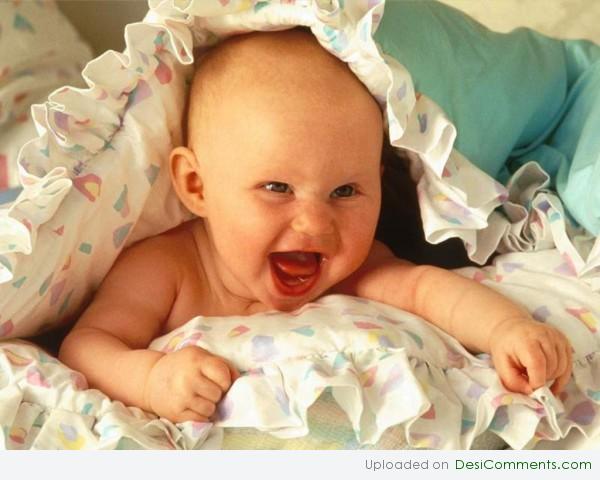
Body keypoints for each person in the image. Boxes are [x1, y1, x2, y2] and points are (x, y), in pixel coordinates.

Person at [58, 28, 572, 424]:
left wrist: (507, 329)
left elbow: (426, 289)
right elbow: (89, 344)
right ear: (196, 186)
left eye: (345, 191)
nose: (314, 223)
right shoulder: (166, 269)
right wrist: (150, 381)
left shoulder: (355, 269)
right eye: (277, 188)